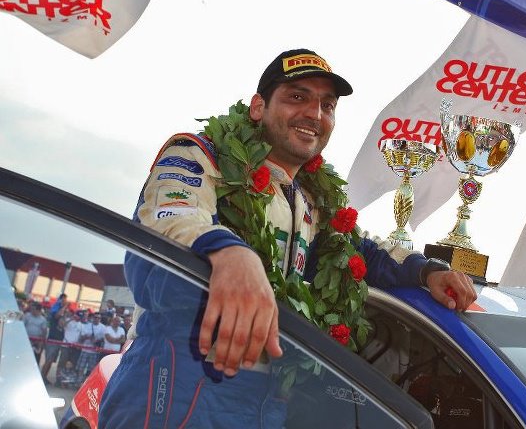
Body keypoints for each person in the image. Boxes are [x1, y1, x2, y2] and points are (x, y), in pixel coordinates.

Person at [99, 48, 477, 428]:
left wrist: (427, 271)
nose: (315, 113)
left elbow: (360, 252)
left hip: (268, 401)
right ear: (258, 107)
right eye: (297, 97)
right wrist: (231, 254)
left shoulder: (310, 199)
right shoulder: (201, 156)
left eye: (327, 105)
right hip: (180, 381)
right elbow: (170, 222)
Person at [41, 315, 66, 384]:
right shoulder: (54, 325)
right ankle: (41, 377)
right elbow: (55, 316)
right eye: (61, 320)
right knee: (47, 361)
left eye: (63, 320)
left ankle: (45, 377)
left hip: (57, 346)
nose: (62, 322)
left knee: (51, 362)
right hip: (51, 345)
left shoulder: (63, 330)